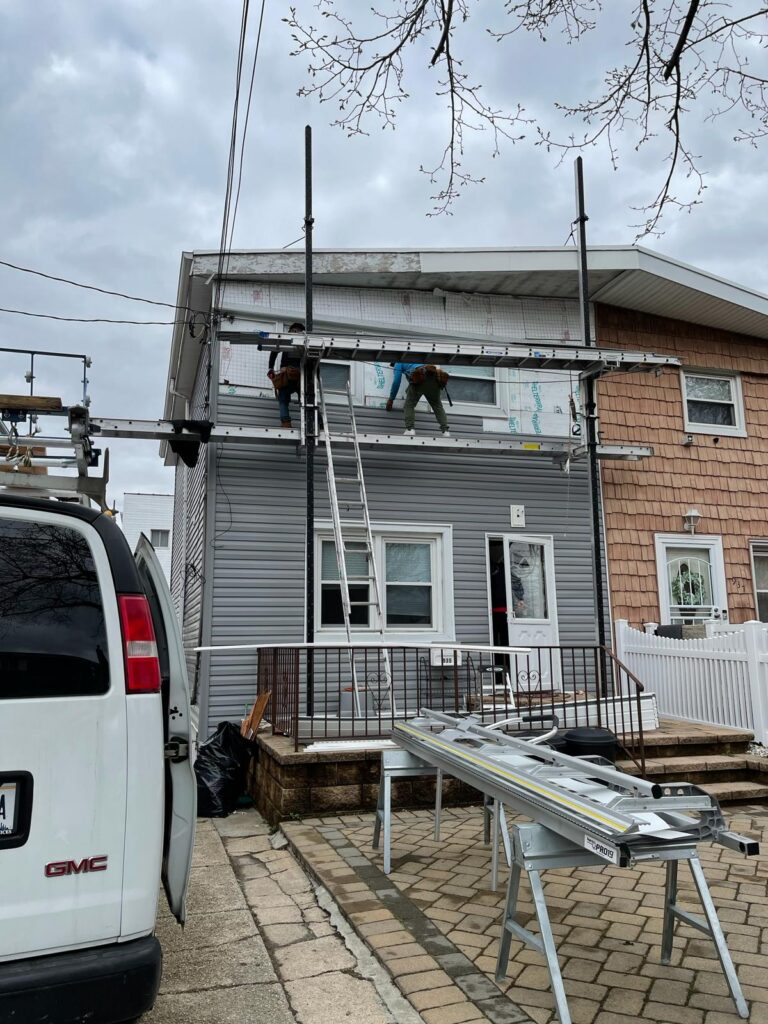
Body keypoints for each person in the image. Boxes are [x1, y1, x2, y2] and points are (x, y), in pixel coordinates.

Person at [386, 362, 450, 436]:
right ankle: (445, 431)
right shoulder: (415, 357)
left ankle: (410, 429)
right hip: (434, 378)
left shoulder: (398, 363)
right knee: (437, 406)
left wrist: (391, 399)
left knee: (409, 405)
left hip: (420, 377)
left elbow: (396, 381)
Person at [267, 322, 305, 427]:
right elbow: (274, 351)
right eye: (294, 330)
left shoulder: (288, 340)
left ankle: (286, 423)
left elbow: (274, 351)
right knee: (305, 400)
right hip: (298, 376)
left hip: (291, 375)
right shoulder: (302, 341)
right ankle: (316, 422)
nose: (295, 332)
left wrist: (271, 368)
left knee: (284, 399)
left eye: (297, 330)